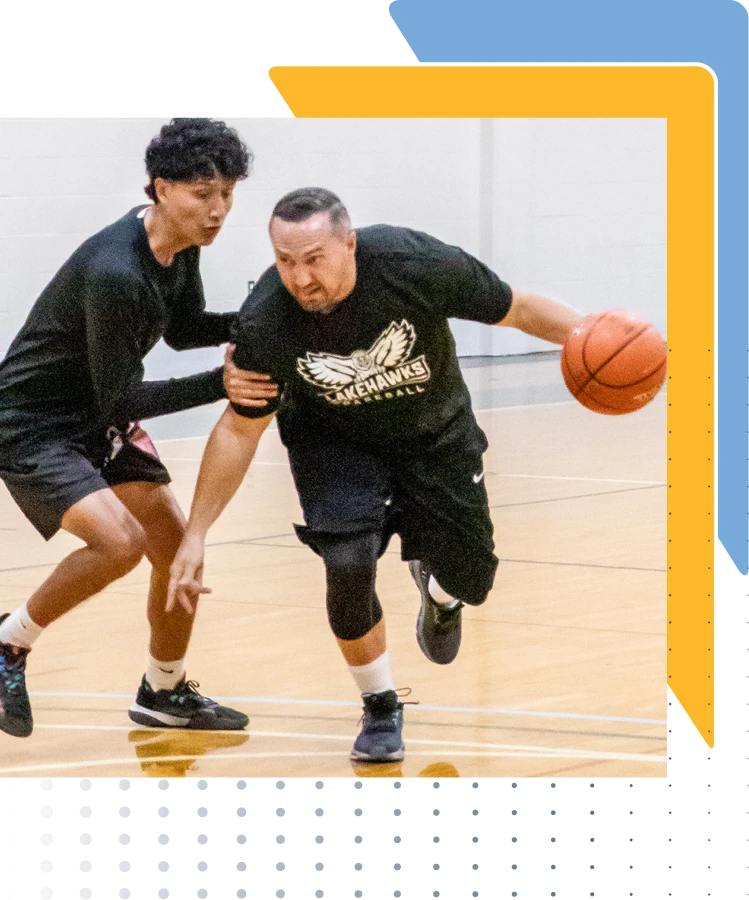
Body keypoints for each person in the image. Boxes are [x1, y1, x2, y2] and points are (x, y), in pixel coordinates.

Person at [167, 186, 583, 762]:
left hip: (435, 434)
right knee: (347, 567)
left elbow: (518, 309)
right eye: (285, 261)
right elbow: (240, 430)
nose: (300, 278)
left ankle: (440, 592)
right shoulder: (267, 320)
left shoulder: (415, 264)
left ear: (350, 245)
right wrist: (196, 532)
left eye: (314, 259)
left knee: (471, 578)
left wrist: (597, 335)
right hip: (334, 446)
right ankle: (381, 705)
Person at [0, 117, 278, 739]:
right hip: (32, 425)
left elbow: (183, 328)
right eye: (202, 194)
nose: (217, 210)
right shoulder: (117, 272)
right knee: (119, 544)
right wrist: (222, 382)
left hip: (96, 415)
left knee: (179, 556)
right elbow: (125, 397)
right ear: (162, 188)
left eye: (227, 193)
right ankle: (9, 642)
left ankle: (163, 690)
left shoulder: (180, 244)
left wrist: (261, 324)